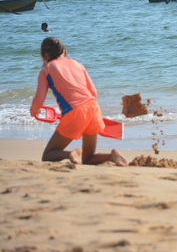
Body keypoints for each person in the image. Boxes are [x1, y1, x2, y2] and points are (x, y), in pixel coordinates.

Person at [30, 37, 128, 166]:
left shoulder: (46, 70)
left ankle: (69, 154)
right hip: (93, 108)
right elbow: (93, 93)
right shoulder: (78, 64)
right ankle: (113, 155)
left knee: (48, 154)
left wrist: (34, 111)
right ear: (65, 52)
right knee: (88, 159)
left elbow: (39, 99)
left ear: (43, 56)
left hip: (75, 112)